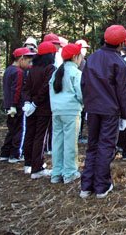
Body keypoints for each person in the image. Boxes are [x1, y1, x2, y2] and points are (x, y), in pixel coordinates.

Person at [80, 25, 126, 199]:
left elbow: (83, 84)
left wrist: (87, 105)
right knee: (106, 146)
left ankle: (86, 186)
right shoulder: (120, 63)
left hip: (93, 109)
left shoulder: (92, 58)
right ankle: (101, 186)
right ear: (121, 43)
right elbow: (123, 93)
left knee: (93, 145)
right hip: (110, 111)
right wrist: (125, 115)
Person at [48, 43, 84, 184]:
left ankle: (56, 173)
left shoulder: (56, 72)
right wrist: (82, 104)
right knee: (70, 142)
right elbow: (80, 93)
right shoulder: (76, 73)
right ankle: (69, 172)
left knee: (57, 141)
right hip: (71, 111)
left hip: (56, 111)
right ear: (75, 57)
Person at [22, 41, 57, 179]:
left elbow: (27, 87)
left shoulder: (33, 68)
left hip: (32, 108)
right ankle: (37, 168)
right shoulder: (50, 68)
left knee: (30, 134)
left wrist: (28, 102)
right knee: (39, 136)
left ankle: (28, 164)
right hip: (42, 108)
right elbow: (46, 87)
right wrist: (34, 103)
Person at [0, 47, 36, 163]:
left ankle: (5, 153)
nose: (29, 64)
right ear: (21, 59)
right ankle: (15, 154)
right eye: (28, 61)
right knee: (19, 130)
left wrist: (9, 105)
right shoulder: (18, 72)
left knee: (11, 129)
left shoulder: (8, 70)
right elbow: (17, 90)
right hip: (17, 106)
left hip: (8, 105)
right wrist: (15, 105)